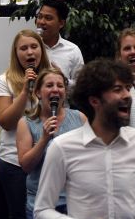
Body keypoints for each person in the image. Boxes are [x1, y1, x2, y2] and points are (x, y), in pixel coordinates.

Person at [34, 59, 135, 219]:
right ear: (94, 100)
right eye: (117, 89)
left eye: (128, 88)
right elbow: (41, 210)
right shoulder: (62, 147)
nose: (127, 96)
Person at [0, 29, 51, 219]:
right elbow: (6, 122)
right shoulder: (4, 81)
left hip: (48, 160)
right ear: (15, 53)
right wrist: (25, 91)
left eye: (34, 47)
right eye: (23, 48)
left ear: (41, 50)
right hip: (14, 162)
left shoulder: (52, 78)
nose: (29, 52)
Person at [16, 67, 86, 219]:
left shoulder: (80, 118)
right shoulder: (26, 123)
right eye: (49, 85)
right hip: (41, 204)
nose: (55, 90)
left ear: (65, 92)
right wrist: (44, 139)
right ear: (38, 92)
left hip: (75, 204)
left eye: (60, 86)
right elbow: (26, 166)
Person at [34, 0, 84, 86]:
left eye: (48, 18)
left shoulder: (73, 50)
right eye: (40, 17)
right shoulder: (29, 48)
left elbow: (81, 86)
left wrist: (63, 80)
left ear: (61, 23)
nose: (41, 22)